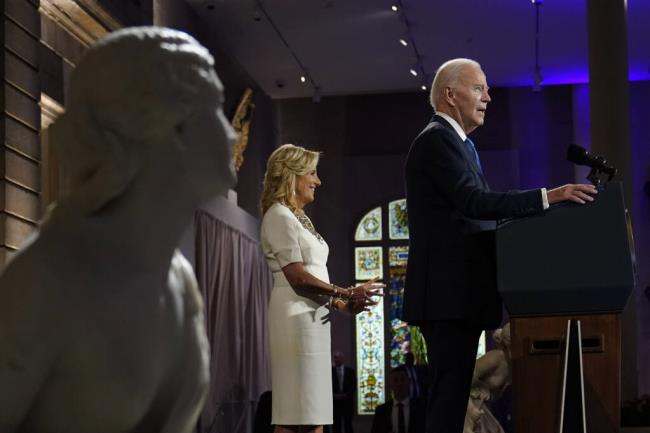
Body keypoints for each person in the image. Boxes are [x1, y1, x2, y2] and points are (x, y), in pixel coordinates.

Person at [0, 27, 236, 433]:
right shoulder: (51, 276)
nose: (231, 133)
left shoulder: (176, 278)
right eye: (215, 108)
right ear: (168, 126)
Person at [401, 58, 598, 433]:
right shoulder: (435, 141)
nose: (488, 97)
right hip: (447, 296)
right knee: (448, 402)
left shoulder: (461, 146)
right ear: (450, 94)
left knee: (454, 400)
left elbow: (480, 214)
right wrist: (550, 196)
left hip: (460, 295)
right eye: (478, 88)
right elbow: (475, 202)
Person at [260, 144, 384, 433]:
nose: (318, 181)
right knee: (293, 415)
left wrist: (345, 305)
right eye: (312, 173)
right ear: (292, 176)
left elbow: (314, 277)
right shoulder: (278, 216)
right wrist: (344, 292)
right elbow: (297, 277)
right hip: (294, 320)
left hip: (312, 320)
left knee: (314, 412)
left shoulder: (299, 218)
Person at [371, 366, 425, 433]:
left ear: (409, 383)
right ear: (390, 385)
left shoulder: (421, 408)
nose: (399, 384)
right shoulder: (381, 411)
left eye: (402, 380)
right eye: (395, 380)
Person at [332, 351, 356, 433]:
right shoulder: (330, 371)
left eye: (337, 357)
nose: (335, 359)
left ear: (342, 359)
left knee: (348, 424)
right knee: (336, 425)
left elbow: (354, 385)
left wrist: (346, 395)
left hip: (347, 402)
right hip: (335, 402)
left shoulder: (350, 371)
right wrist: (334, 396)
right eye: (334, 357)